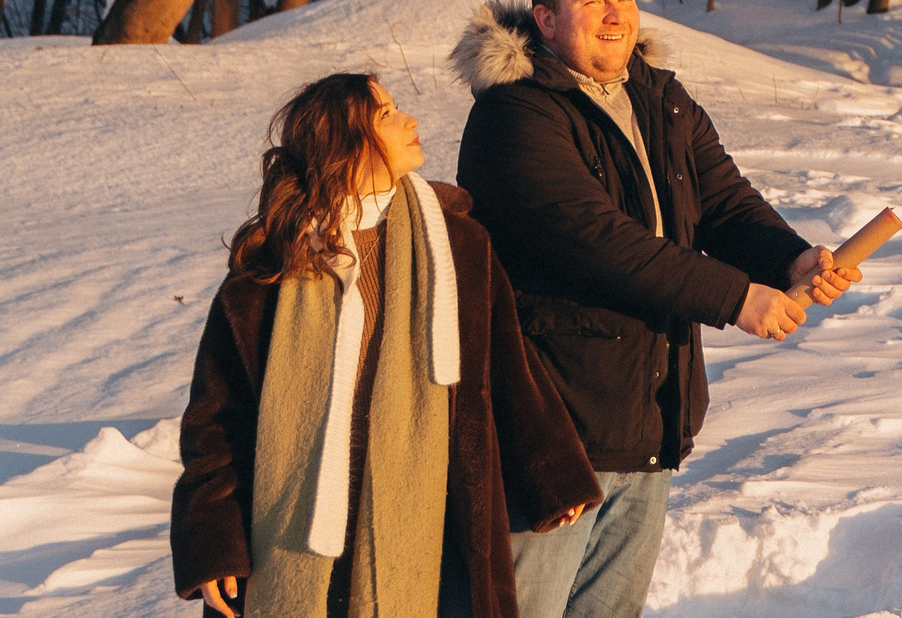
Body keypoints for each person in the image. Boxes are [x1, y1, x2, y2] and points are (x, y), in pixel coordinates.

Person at [452, 0, 859, 618]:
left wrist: (789, 260)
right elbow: (597, 242)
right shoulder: (513, 116)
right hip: (549, 429)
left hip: (645, 419)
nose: (615, 16)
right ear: (546, 21)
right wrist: (735, 298)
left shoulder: (658, 97)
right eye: (591, 2)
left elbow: (724, 202)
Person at [171, 73, 602, 618]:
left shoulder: (459, 245)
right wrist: (212, 544)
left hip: (432, 527)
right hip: (289, 537)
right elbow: (216, 421)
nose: (411, 121)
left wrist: (553, 476)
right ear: (342, 143)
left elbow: (507, 370)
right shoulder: (271, 267)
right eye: (387, 115)